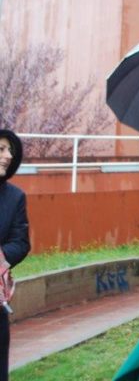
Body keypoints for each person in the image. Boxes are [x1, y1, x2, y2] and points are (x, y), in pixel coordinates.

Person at [0, 129, 31, 381]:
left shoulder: (15, 197)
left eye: (10, 150)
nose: (8, 156)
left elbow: (20, 243)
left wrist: (0, 256)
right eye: (1, 149)